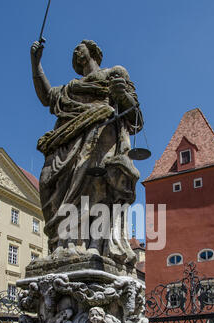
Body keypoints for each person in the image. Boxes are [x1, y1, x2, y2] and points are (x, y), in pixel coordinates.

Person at [30, 39, 143, 266]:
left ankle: (89, 245)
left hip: (100, 138)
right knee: (46, 182)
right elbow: (48, 97)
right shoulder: (71, 87)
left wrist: (123, 97)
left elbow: (137, 117)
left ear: (93, 52)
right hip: (66, 141)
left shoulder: (114, 73)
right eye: (74, 50)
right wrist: (36, 63)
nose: (75, 50)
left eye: (79, 47)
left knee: (95, 191)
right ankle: (63, 242)